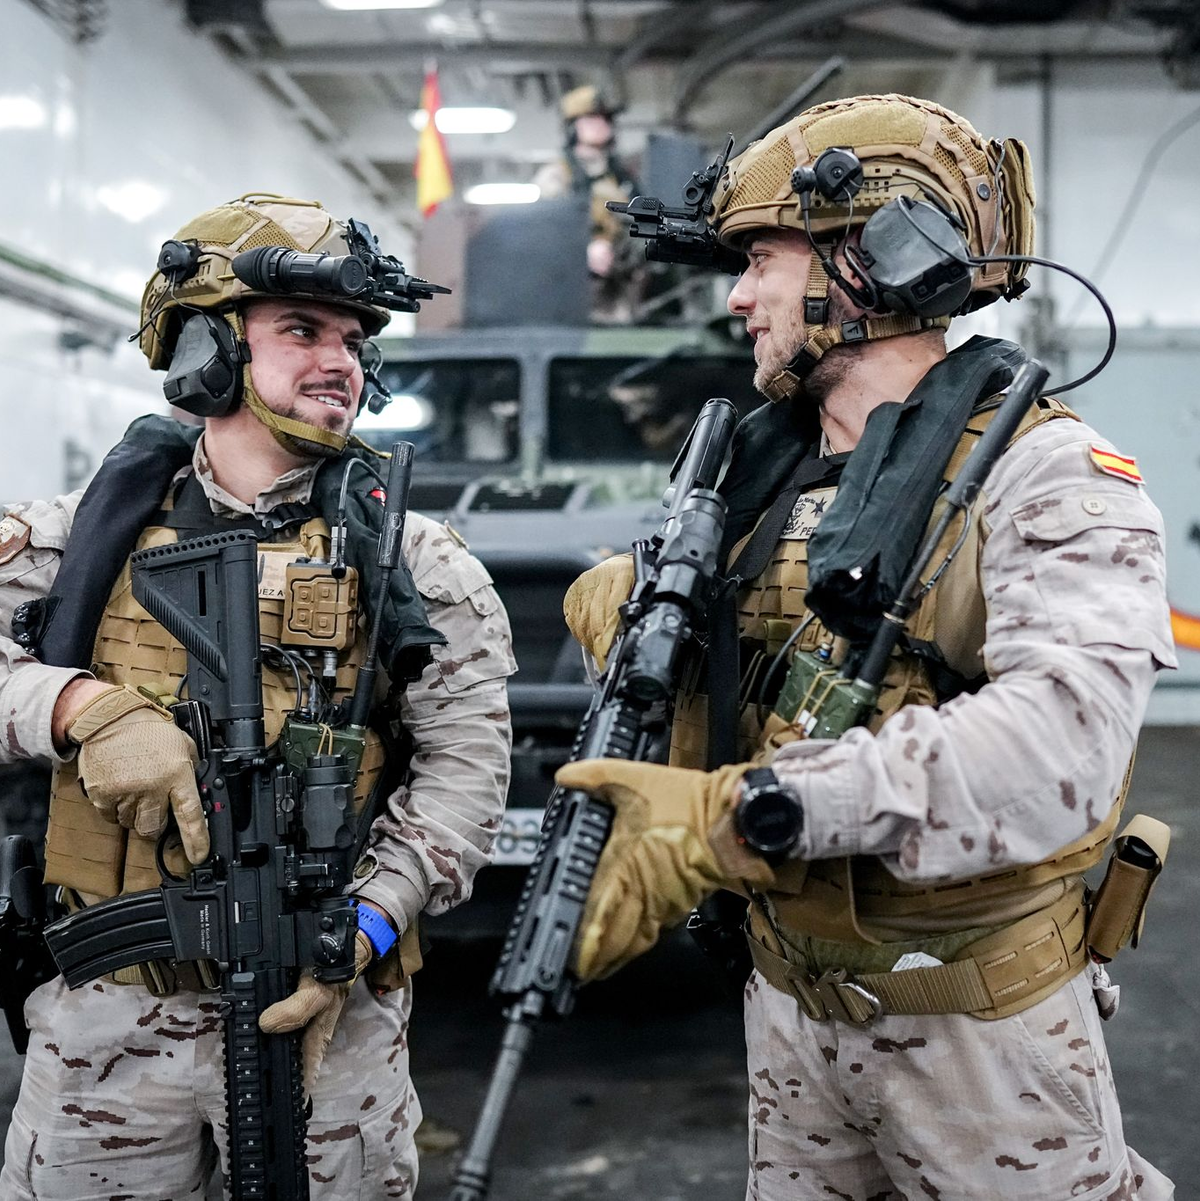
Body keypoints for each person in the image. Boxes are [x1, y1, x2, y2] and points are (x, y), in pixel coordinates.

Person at [560, 94, 1176, 1199]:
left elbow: (1063, 748)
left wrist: (749, 811)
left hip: (982, 1045)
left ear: (873, 259)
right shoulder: (757, 480)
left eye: (761, 260)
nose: (739, 296)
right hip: (790, 1020)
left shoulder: (1045, 473)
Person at [0, 194, 515, 1199]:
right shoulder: (74, 542)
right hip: (106, 1031)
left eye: (354, 340)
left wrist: (364, 929)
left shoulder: (418, 565)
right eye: (302, 330)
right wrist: (79, 709)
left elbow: (465, 777)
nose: (341, 362)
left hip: (327, 1024)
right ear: (208, 349)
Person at [534, 84, 641, 320]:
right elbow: (544, 234)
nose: (602, 123)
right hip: (571, 294)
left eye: (606, 118)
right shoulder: (557, 176)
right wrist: (583, 250)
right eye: (591, 117)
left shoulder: (622, 177)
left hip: (620, 291)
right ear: (573, 127)